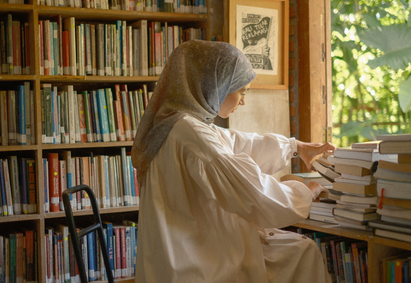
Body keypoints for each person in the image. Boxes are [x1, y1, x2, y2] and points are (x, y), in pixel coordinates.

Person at [131, 40, 334, 283]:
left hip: (188, 249)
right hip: (199, 262)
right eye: (242, 91)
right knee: (303, 252)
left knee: (299, 251)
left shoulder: (179, 123)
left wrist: (295, 147)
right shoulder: (192, 133)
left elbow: (237, 144)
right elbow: (252, 194)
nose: (243, 101)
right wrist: (304, 193)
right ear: (216, 85)